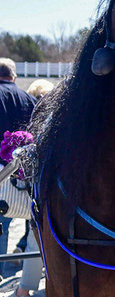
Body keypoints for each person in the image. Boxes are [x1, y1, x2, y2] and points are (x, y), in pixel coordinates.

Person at [11, 79, 54, 296]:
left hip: (39, 189)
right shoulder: (56, 119)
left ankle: (24, 289)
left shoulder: (36, 124)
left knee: (34, 238)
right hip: (54, 190)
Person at [0, 58, 37, 278]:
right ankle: (28, 275)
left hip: (1, 175)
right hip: (25, 173)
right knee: (30, 223)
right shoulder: (30, 99)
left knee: (2, 226)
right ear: (14, 77)